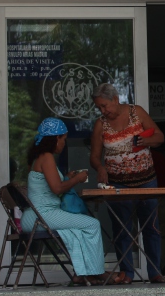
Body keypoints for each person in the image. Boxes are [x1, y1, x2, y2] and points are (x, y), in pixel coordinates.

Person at [23, 117, 125, 286]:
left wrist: (66, 177)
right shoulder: (47, 157)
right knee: (92, 224)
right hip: (43, 215)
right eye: (64, 139)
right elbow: (56, 188)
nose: (64, 144)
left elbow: (48, 184)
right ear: (56, 138)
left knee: (78, 230)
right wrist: (77, 179)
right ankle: (98, 272)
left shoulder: (38, 157)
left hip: (35, 216)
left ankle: (82, 274)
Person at [89, 83, 165, 284]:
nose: (103, 111)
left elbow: (160, 136)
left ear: (115, 99)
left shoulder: (137, 112)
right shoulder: (101, 124)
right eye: (99, 107)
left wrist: (147, 142)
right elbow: (94, 156)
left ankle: (155, 272)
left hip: (146, 181)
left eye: (105, 106)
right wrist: (100, 168)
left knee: (151, 227)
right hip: (117, 184)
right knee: (122, 229)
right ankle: (127, 273)